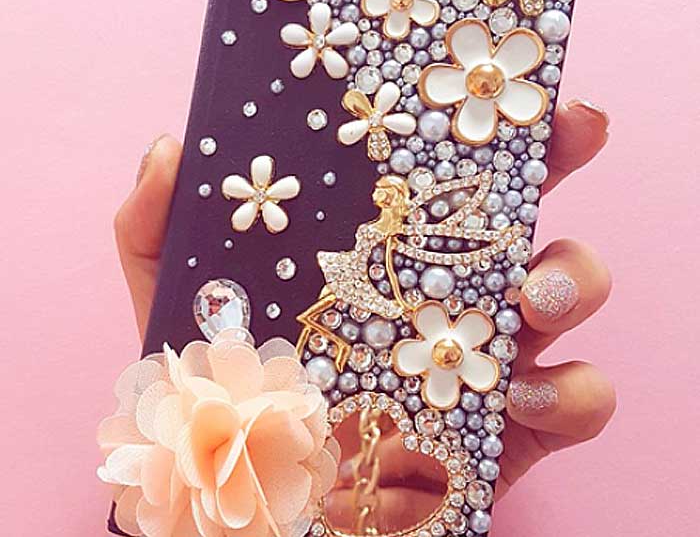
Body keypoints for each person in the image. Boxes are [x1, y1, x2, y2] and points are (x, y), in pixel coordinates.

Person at [114, 98, 615, 523]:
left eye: (386, 196)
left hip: (387, 331)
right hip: (335, 326)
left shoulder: (398, 232)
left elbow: (393, 269)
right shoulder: (374, 233)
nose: (380, 198)